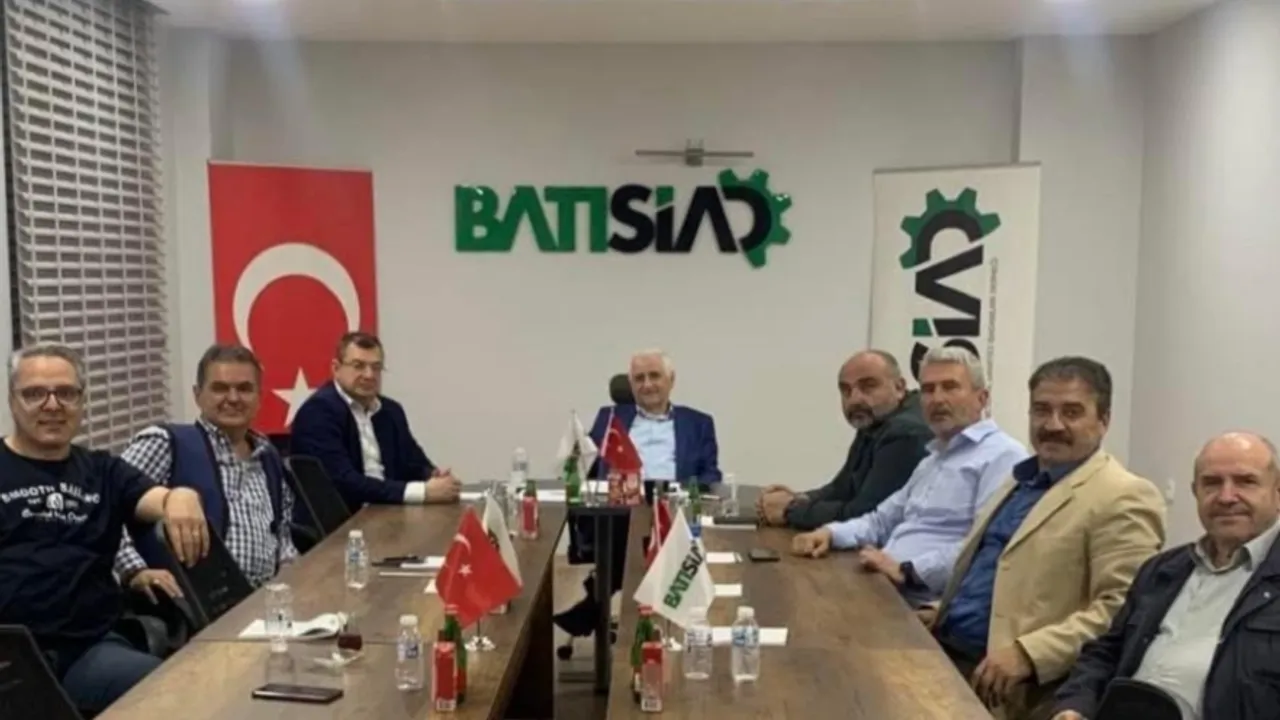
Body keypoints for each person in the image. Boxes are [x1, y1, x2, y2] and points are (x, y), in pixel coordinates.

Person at [923, 356, 1166, 720]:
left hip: (1010, 687)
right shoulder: (1023, 479)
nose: (1053, 425)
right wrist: (941, 610)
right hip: (943, 649)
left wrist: (1029, 654)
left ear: (1104, 420)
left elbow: (1120, 610)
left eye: (1071, 412)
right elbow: (996, 570)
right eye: (1041, 410)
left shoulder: (1124, 495)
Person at [0, 344, 209, 715]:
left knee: (177, 693)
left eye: (66, 393)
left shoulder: (103, 471)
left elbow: (155, 498)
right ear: (12, 401)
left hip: (88, 649)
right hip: (9, 653)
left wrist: (181, 497)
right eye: (34, 394)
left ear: (82, 401)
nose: (52, 405)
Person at [1051, 431, 1280, 720]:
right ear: (1195, 492)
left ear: (1277, 492)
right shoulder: (1162, 570)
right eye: (1211, 483)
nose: (1226, 497)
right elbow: (1106, 651)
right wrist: (1075, 706)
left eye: (1245, 481)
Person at [790, 347, 1026, 606]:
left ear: (982, 398)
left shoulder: (1003, 456)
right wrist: (829, 534)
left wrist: (909, 571)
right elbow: (880, 521)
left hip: (926, 605)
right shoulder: (932, 460)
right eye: (928, 389)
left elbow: (982, 546)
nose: (937, 399)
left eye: (950, 387)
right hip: (885, 585)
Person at [555, 348, 720, 637]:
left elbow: (711, 476)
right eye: (639, 379)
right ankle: (635, 622)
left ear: (671, 380)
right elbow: (588, 466)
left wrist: (680, 496)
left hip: (672, 510)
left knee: (651, 530)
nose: (647, 385)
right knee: (629, 525)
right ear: (630, 385)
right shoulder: (610, 418)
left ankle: (598, 600)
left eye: (654, 376)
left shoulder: (698, 423)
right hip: (619, 507)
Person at [115, 344, 297, 595]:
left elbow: (283, 533)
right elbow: (105, 505)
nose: (233, 398)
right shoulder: (166, 443)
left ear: (259, 397)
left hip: (264, 602)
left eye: (244, 389)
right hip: (188, 607)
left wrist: (289, 577)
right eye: (220, 388)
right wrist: (134, 570)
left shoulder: (269, 456)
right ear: (197, 394)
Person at [757, 349, 932, 530]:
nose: (854, 399)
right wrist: (799, 499)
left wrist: (790, 510)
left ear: (899, 387)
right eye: (846, 390)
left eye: (868, 386)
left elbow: (864, 516)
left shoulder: (905, 433)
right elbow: (841, 488)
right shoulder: (875, 419)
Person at [291, 332, 461, 511]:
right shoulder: (318, 413)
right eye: (358, 366)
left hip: (389, 513)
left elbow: (413, 462)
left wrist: (434, 477)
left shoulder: (390, 411)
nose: (369, 375)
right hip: (343, 520)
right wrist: (422, 492)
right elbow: (344, 481)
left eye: (376, 367)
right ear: (336, 369)